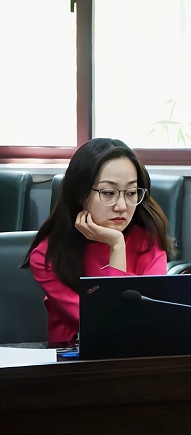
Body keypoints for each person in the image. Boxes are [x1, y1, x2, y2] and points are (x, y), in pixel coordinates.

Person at [23, 138, 174, 345]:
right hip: (75, 358)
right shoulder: (48, 255)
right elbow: (109, 323)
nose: (122, 206)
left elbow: (147, 320)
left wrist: (116, 245)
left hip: (138, 354)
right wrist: (117, 246)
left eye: (131, 193)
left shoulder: (148, 241)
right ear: (80, 193)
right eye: (109, 193)